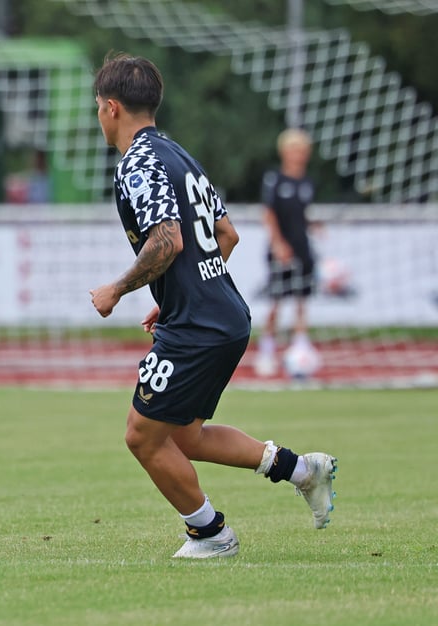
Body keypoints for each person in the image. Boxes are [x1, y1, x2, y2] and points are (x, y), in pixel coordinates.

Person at [87, 53, 337, 559]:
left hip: (200, 323)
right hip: (223, 312)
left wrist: (117, 289)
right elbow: (227, 234)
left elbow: (167, 241)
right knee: (184, 435)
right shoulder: (179, 155)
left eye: (97, 106)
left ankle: (211, 534)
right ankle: (303, 470)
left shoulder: (139, 162)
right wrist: (178, 295)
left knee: (142, 437)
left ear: (111, 107)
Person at [254, 128, 318, 377]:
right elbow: (269, 215)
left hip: (302, 248)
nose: (298, 155)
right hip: (280, 250)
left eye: (302, 150)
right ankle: (267, 350)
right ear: (284, 152)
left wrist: (314, 227)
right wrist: (278, 243)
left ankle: (300, 348)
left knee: (302, 301)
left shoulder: (307, 182)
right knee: (276, 301)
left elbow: (302, 216)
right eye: (294, 150)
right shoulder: (275, 180)